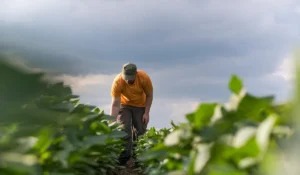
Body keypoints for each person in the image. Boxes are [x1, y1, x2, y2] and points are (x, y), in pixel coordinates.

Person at [110, 62, 153, 166]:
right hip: (124, 105)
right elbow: (115, 104)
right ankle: (123, 159)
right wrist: (112, 121)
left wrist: (146, 113)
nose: (128, 80)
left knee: (140, 130)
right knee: (124, 130)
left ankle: (139, 159)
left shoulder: (144, 77)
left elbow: (149, 95)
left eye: (131, 77)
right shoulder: (118, 81)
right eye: (126, 77)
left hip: (140, 105)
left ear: (136, 73)